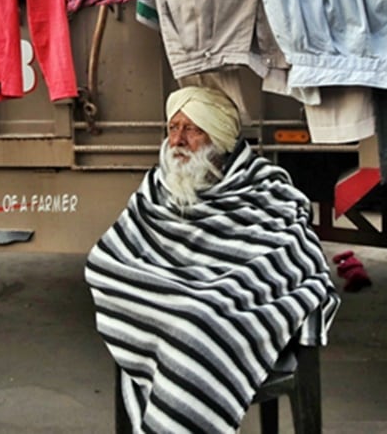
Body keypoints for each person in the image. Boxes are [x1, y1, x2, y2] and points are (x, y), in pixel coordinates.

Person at [85, 86, 340, 433]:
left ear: (219, 138)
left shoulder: (267, 192)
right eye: (173, 128)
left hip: (229, 314)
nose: (177, 140)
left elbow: (289, 263)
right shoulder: (157, 190)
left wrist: (208, 297)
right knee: (182, 324)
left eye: (192, 129)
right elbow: (107, 258)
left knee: (196, 328)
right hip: (170, 309)